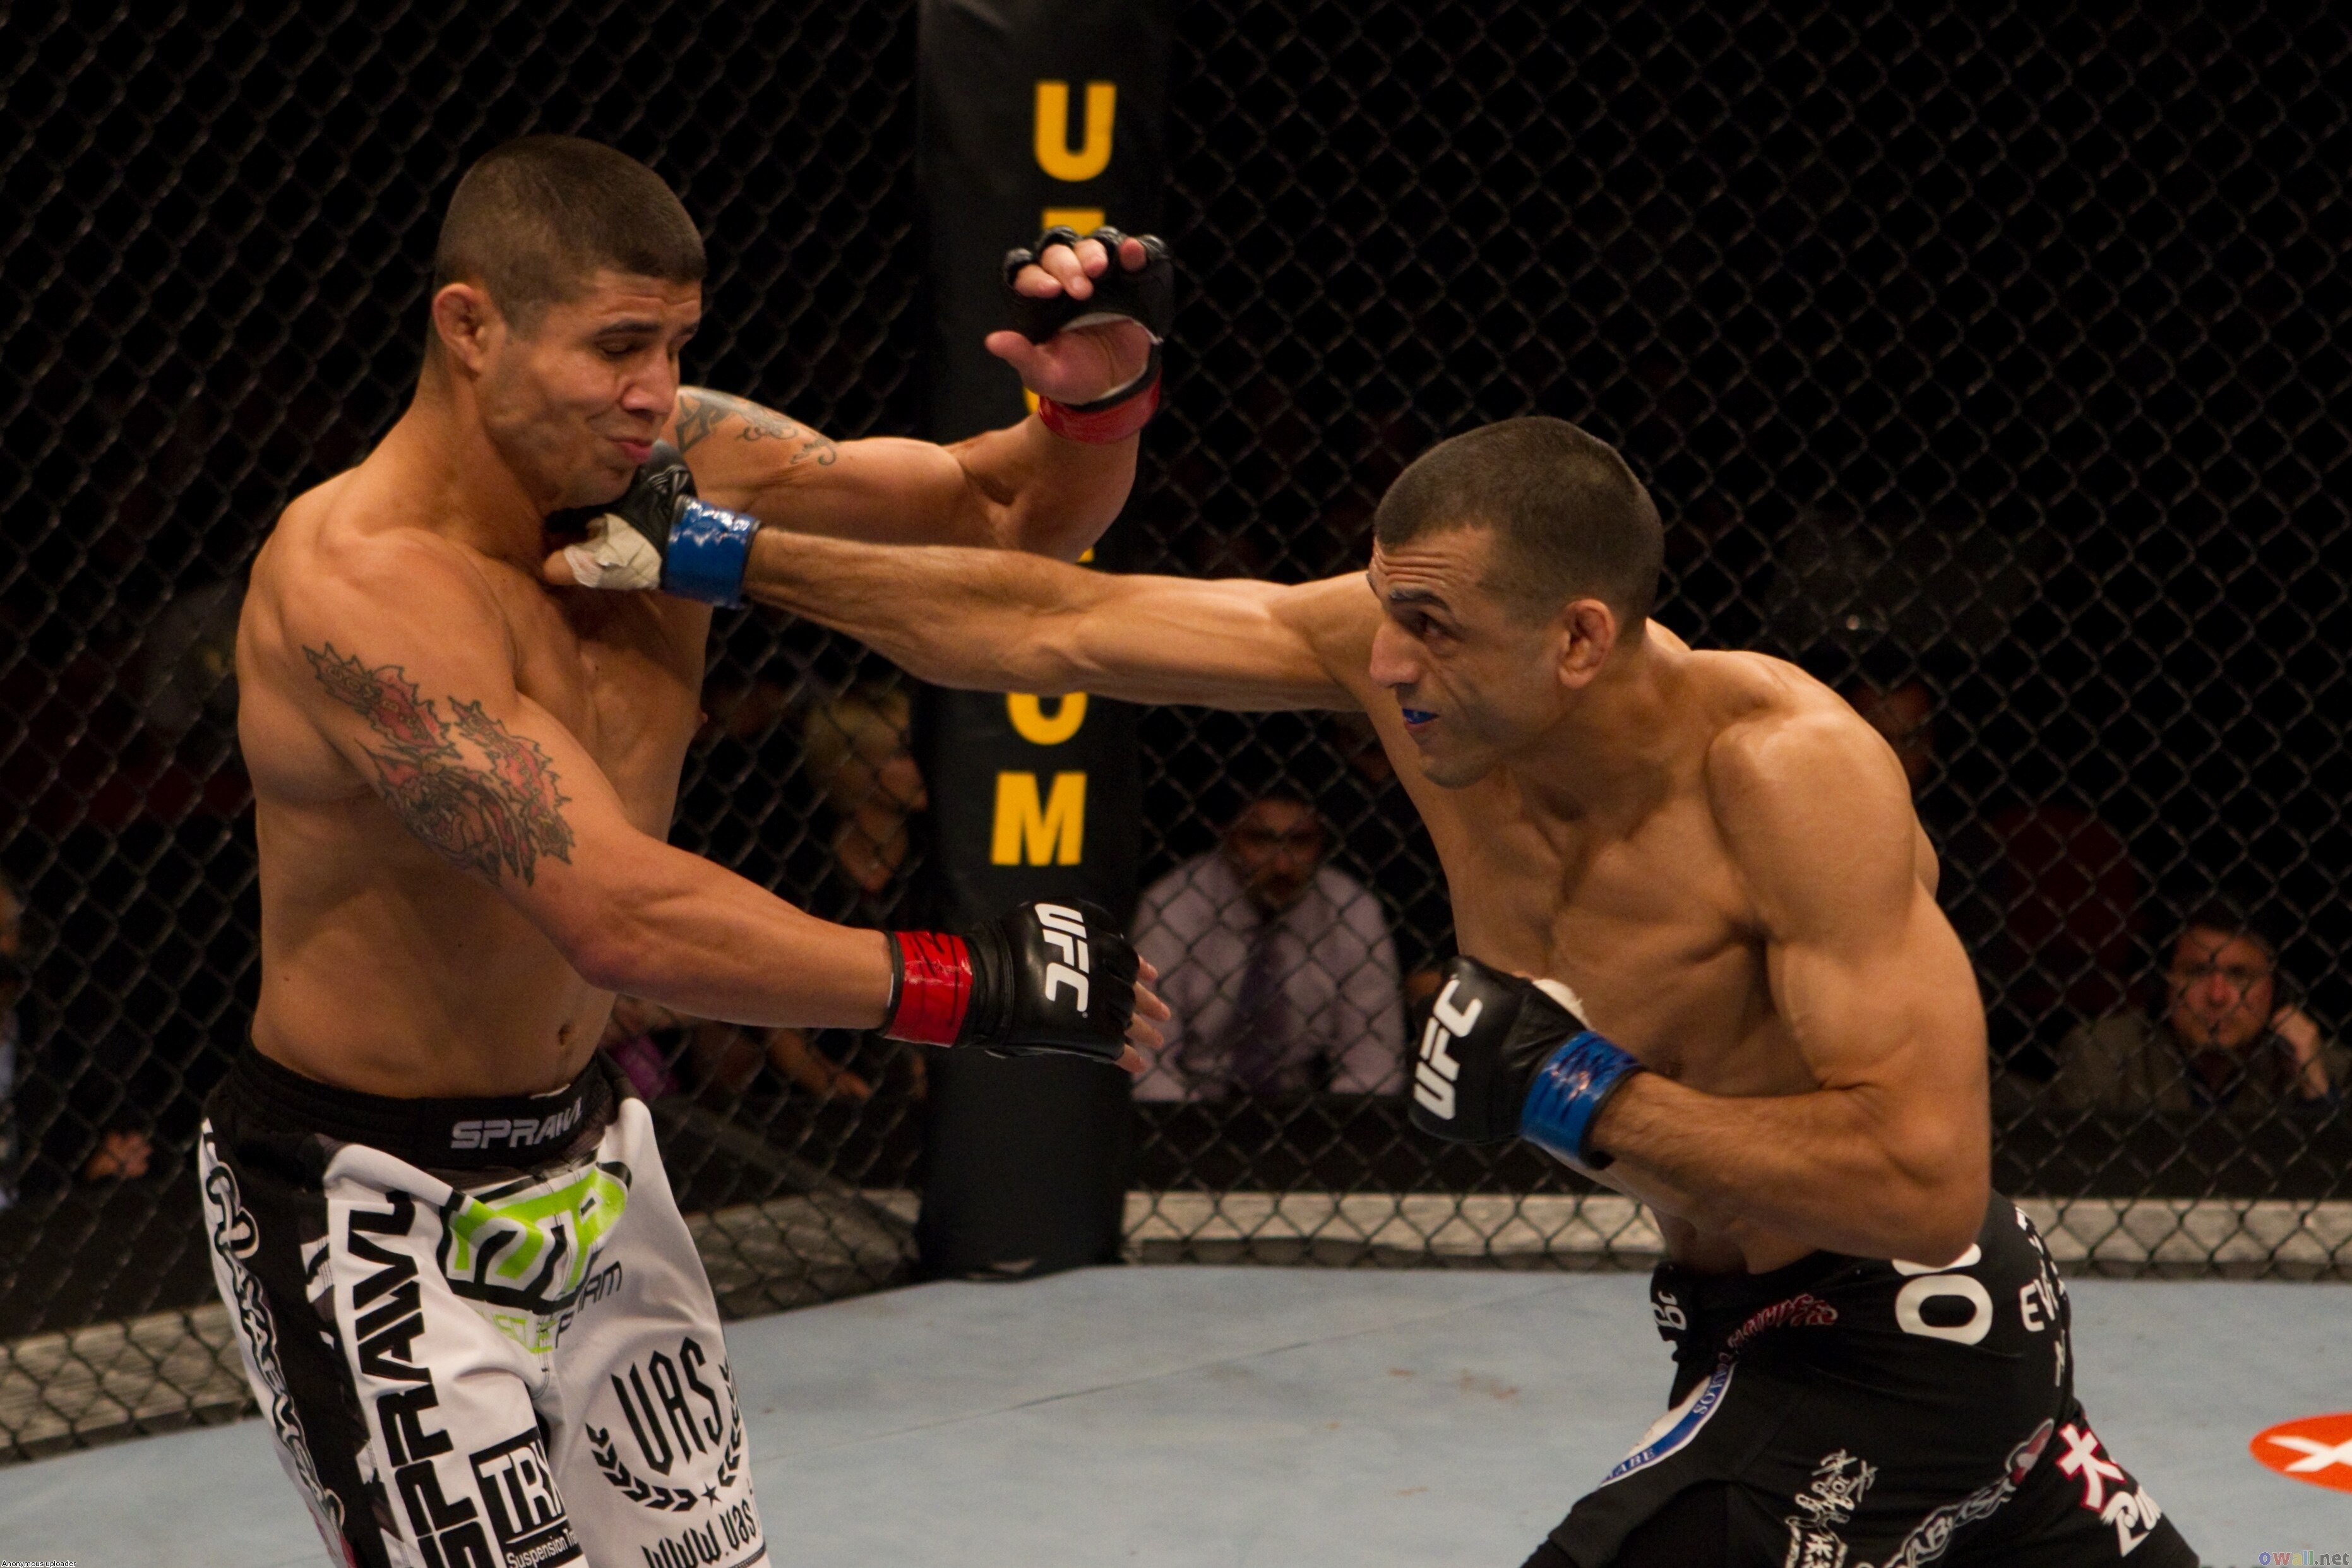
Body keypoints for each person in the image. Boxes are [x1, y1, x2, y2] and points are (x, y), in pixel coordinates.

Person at [586, 415, 2200, 1564]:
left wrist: (1579, 1091)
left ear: (1580, 637)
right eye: (1384, 613)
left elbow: (1923, 1179)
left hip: (1901, 1331)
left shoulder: (1785, 776)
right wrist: (727, 556)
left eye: (1431, 627)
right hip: (1734, 1319)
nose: (1384, 665)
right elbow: (1054, 623)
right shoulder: (1421, 680)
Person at [204, 134, 1167, 1568]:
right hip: (368, 1194)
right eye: (615, 347)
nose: (655, 390)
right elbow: (617, 914)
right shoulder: (362, 580)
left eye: (674, 345)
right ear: (470, 325)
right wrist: (976, 980)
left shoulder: (675, 458)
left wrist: (1095, 401)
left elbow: (1004, 511)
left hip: (591, 1157)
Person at [1132, 792, 1404, 1100]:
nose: (1282, 865)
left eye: (1300, 842)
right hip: (1190, 1100)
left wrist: (1334, 1121)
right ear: (1227, 838)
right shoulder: (1172, 908)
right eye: (1261, 841)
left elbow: (1375, 1065)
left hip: (1309, 1106)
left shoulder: (1351, 910)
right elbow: (1146, 1061)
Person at [2050, 900, 2341, 1115]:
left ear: (2277, 990)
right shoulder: (2100, 1056)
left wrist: (2316, 1093)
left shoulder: (2325, 1067)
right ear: (2163, 984)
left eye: (2239, 975)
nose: (2217, 996)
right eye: (2197, 972)